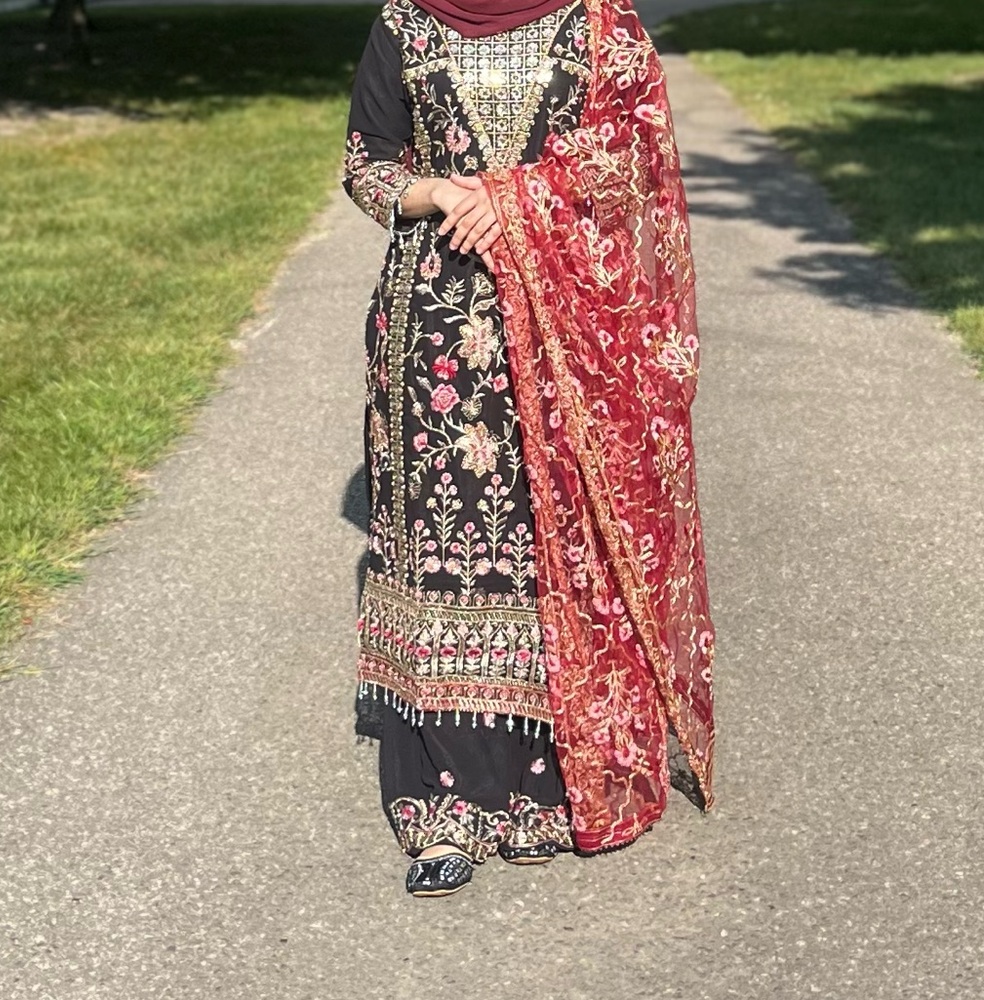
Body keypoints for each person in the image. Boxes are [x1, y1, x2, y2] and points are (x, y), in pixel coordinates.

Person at [342, 0, 716, 898]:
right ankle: (443, 802)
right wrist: (436, 194)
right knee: (440, 555)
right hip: (430, 333)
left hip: (563, 335)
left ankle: (545, 786)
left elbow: (636, 159)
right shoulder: (405, 20)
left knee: (546, 545)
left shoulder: (600, 22)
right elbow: (366, 164)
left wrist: (518, 203)